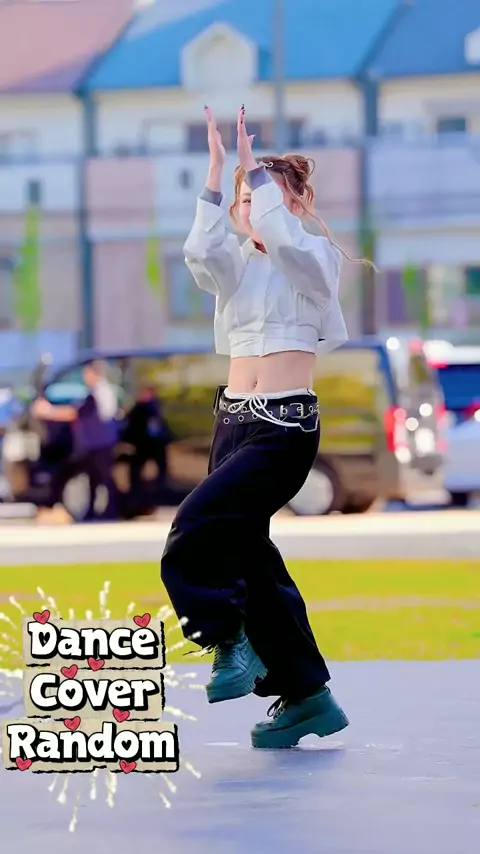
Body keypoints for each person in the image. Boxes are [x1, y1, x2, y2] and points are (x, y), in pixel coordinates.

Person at [161, 106, 370, 749]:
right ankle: (308, 696)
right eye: (245, 199)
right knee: (252, 561)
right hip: (233, 424)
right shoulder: (237, 266)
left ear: (295, 203)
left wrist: (259, 175)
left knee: (192, 531)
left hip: (282, 428)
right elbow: (201, 253)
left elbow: (284, 238)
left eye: (264, 196)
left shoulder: (314, 261)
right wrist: (217, 174)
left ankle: (230, 639)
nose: (252, 207)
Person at [32, 361, 119, 521]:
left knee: (103, 479)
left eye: (87, 374)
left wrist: (49, 412)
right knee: (95, 479)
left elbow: (75, 413)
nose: (85, 378)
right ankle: (95, 511)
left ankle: (109, 511)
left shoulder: (98, 393)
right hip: (95, 444)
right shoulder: (100, 391)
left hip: (100, 444)